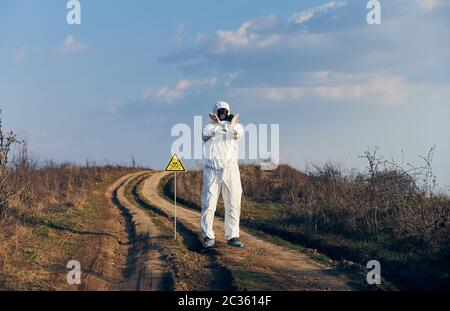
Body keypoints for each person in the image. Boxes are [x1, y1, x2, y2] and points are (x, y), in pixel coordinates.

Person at [201, 101, 245, 249]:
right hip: (212, 170)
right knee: (209, 204)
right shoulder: (209, 127)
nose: (222, 114)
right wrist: (221, 126)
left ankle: (232, 236)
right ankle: (208, 236)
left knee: (233, 203)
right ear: (215, 112)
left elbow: (236, 133)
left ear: (228, 111)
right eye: (220, 111)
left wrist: (227, 125)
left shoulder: (236, 126)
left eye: (225, 111)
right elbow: (208, 134)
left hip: (231, 171)